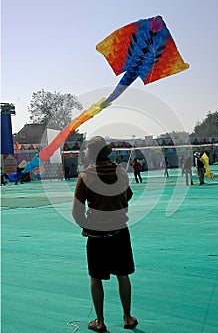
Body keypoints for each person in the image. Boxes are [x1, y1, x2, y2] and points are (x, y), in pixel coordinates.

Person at [72, 136, 138, 332]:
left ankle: (100, 322)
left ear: (91, 154)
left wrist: (86, 226)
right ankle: (127, 317)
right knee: (123, 275)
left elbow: (77, 210)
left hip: (96, 236)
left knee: (96, 277)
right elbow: (129, 196)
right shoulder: (122, 173)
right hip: (120, 233)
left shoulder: (85, 176)